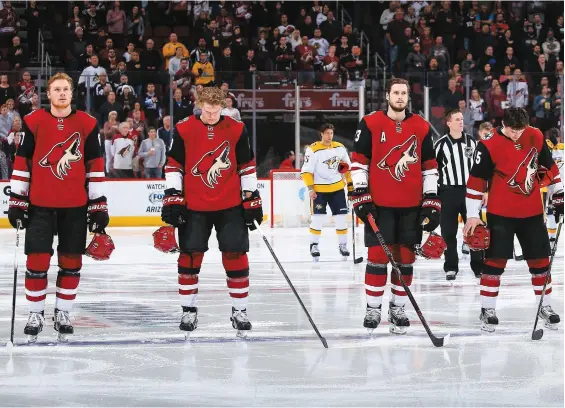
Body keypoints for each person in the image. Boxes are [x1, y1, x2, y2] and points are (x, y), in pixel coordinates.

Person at [8, 72, 109, 342]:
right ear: (48, 94)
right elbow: (22, 163)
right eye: (57, 90)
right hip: (40, 205)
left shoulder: (87, 123)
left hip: (75, 207)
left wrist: (98, 205)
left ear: (72, 93)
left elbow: (95, 166)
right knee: (37, 262)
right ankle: (35, 314)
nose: (62, 93)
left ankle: (63, 313)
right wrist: (17, 200)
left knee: (71, 263)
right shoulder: (33, 121)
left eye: (66, 89)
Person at [160, 87, 263, 337]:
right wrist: (173, 196)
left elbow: (246, 165)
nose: (211, 116)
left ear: (223, 107)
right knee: (190, 258)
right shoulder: (184, 128)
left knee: (236, 256)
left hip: (230, 206)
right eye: (207, 111)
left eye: (215, 112)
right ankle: (189, 310)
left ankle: (240, 311)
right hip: (194, 207)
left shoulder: (237, 128)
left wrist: (251, 197)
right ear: (199, 105)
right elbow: (174, 164)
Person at [350, 78, 441, 334]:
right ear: (387, 95)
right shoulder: (369, 123)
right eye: (395, 93)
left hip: (411, 207)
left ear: (408, 97)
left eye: (404, 93)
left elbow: (429, 166)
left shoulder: (421, 126)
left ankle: (398, 307)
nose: (400, 97)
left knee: (405, 260)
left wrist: (431, 199)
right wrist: (361, 193)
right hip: (380, 206)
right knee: (377, 259)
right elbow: (359, 162)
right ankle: (373, 308)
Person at [463, 108, 564, 333]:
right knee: (494, 263)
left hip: (532, 213)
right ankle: (487, 309)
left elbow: (550, 168)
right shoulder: (488, 144)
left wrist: (559, 195)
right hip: (500, 214)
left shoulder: (535, 136)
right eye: (512, 130)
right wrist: (472, 215)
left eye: (521, 130)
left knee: (540, 263)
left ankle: (544, 306)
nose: (517, 134)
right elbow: (476, 182)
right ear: (503, 124)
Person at [434, 109, 482, 280]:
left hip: (470, 192)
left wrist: (483, 190)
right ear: (448, 123)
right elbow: (434, 170)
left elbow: (479, 168)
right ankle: (451, 267)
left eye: (462, 119)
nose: (461, 122)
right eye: (457, 119)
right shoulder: (440, 145)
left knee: (475, 230)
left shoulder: (472, 142)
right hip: (448, 192)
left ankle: (478, 267)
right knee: (449, 231)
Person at [301, 124, 352, 261]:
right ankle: (314, 245)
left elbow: (347, 168)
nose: (330, 136)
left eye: (331, 133)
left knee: (341, 218)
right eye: (327, 133)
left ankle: (343, 245)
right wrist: (311, 188)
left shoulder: (340, 148)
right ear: (321, 134)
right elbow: (306, 171)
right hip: (319, 190)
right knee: (317, 218)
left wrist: (351, 186)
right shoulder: (313, 150)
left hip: (337, 189)